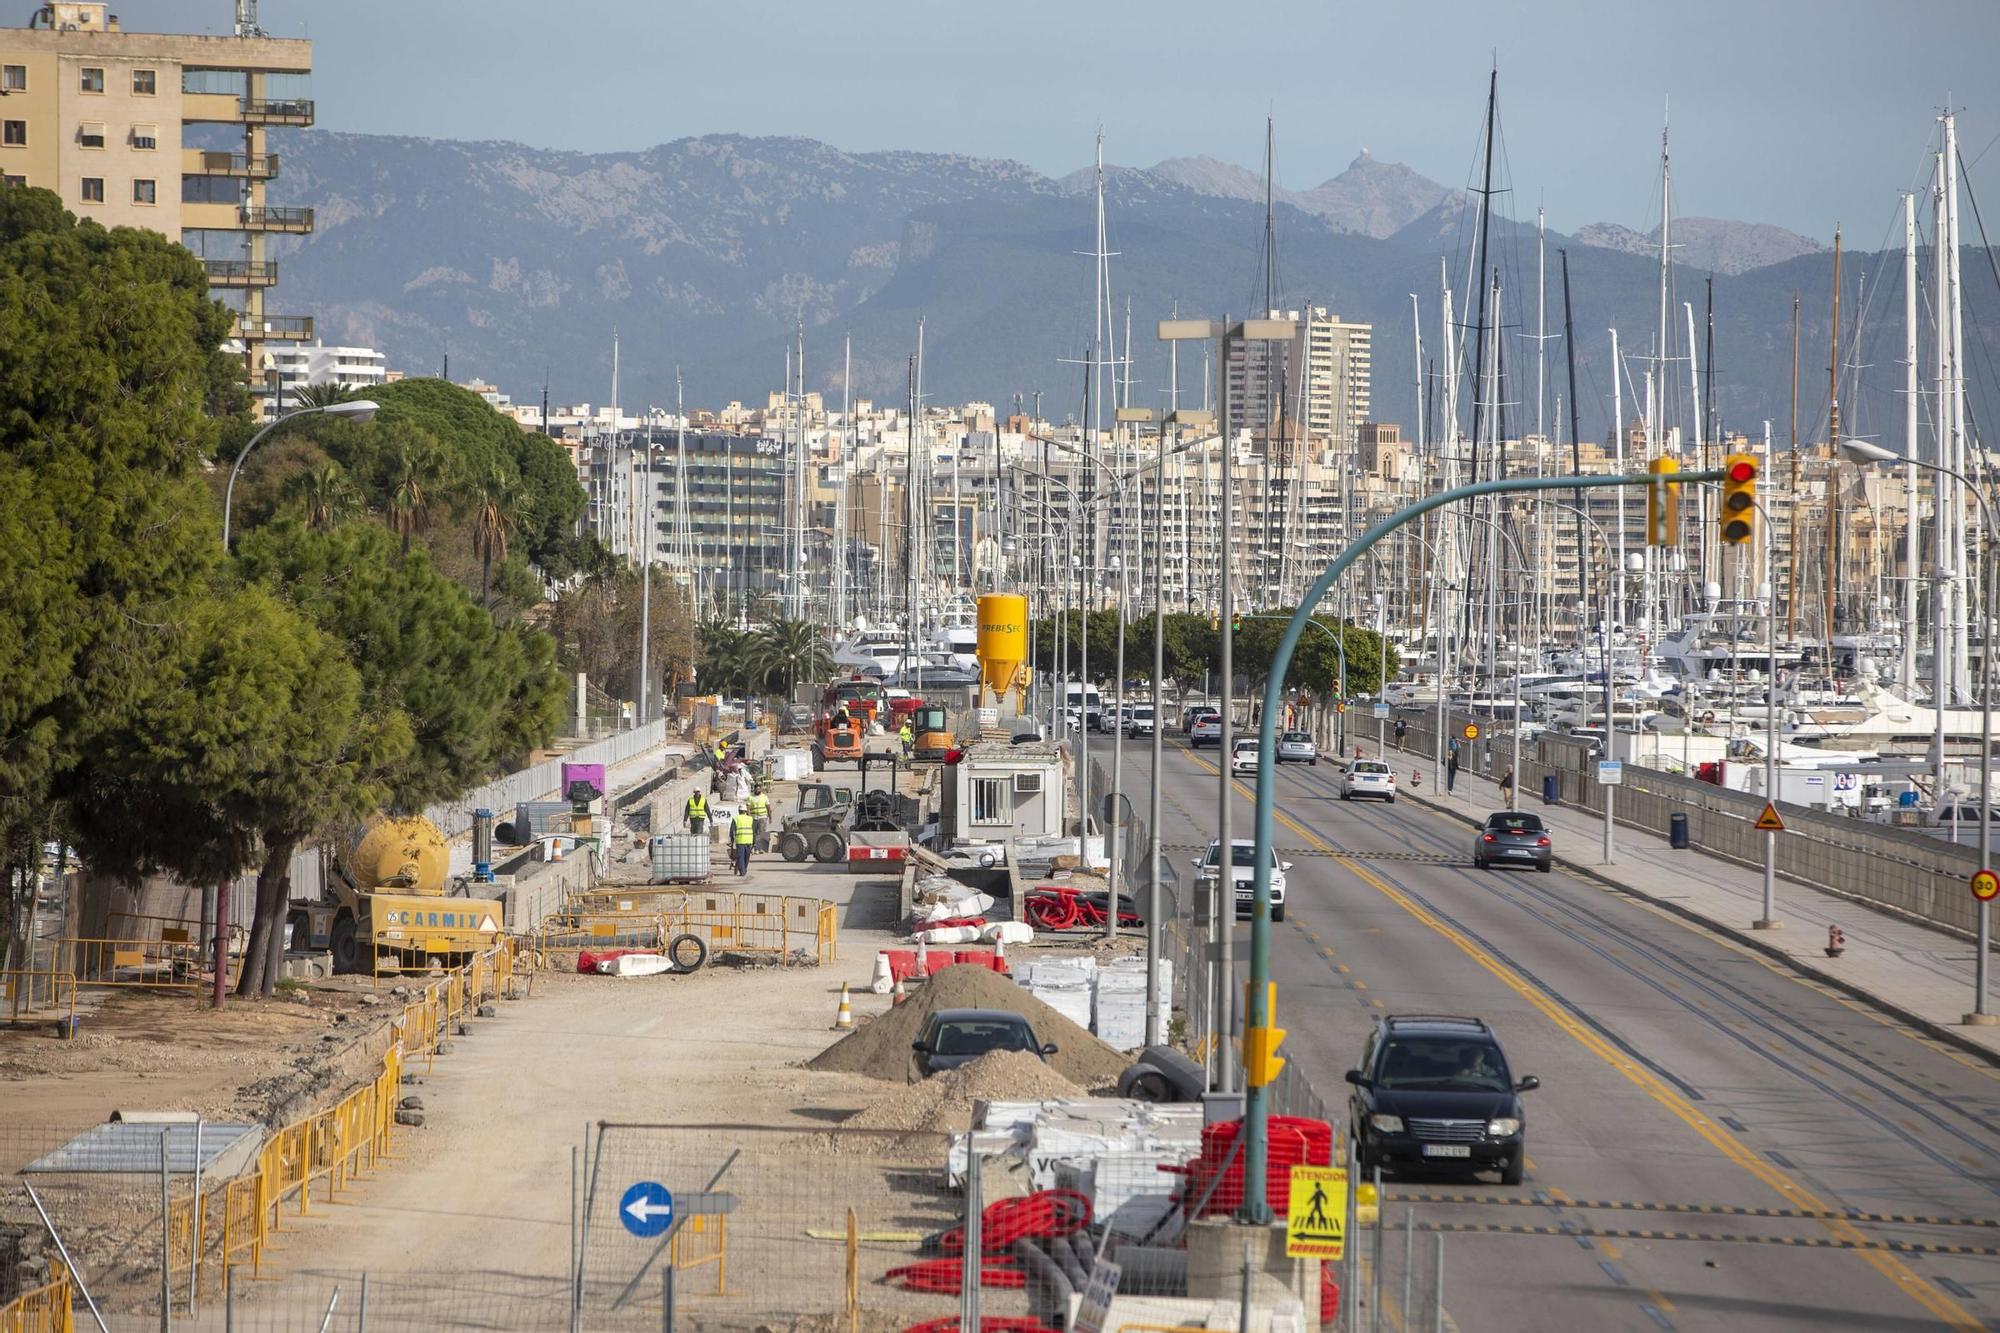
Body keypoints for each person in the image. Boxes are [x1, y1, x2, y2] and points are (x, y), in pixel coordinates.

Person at [745, 787, 771, 853]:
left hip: (762, 817)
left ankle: (759, 848)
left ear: (761, 790)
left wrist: (770, 817)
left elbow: (768, 807)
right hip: (753, 818)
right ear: (754, 790)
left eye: (759, 789)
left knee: (761, 833)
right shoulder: (750, 797)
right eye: (756, 789)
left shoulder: (764, 797)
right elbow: (748, 808)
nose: (757, 790)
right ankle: (753, 847)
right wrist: (749, 817)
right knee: (754, 833)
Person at [730, 808, 755, 876]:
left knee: (740, 856)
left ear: (739, 811)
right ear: (746, 811)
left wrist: (732, 841)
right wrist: (754, 842)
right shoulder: (750, 819)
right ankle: (744, 869)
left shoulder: (736, 818)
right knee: (747, 856)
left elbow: (732, 831)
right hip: (749, 840)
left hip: (740, 840)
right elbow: (754, 831)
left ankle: (742, 871)